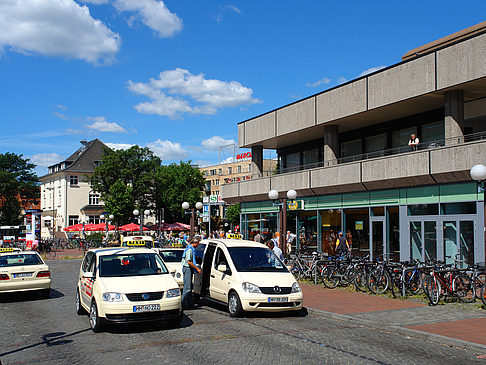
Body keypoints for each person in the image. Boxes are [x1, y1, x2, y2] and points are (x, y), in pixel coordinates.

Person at [181, 236, 202, 309]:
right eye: (198, 243)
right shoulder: (189, 250)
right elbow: (189, 261)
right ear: (195, 243)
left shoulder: (191, 249)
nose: (198, 245)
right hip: (187, 268)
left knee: (189, 287)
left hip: (188, 269)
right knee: (187, 288)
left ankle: (190, 303)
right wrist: (197, 269)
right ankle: (184, 304)